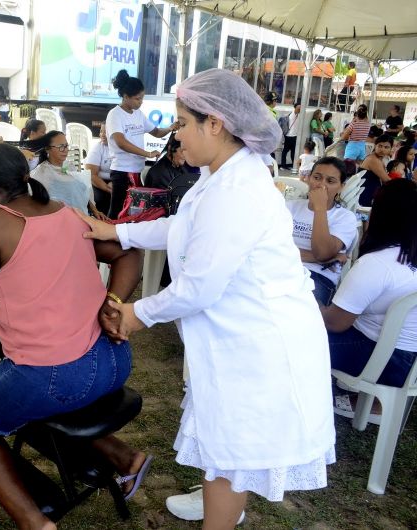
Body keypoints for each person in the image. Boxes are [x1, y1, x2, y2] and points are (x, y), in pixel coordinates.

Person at [78, 68, 335, 528]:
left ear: (214, 123)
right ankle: (220, 504)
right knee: (226, 446)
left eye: (181, 123)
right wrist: (116, 229)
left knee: (232, 450)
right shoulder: (220, 175)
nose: (177, 136)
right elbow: (182, 227)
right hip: (243, 336)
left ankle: (220, 514)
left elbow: (198, 287)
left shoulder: (236, 189)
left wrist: (138, 313)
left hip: (260, 343)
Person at [0, 143, 149, 530]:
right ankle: (123, 458)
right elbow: (129, 253)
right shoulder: (66, 214)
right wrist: (113, 301)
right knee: (22, 406)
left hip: (57, 377)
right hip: (114, 361)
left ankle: (35, 523)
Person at [321, 179, 417, 420]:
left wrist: (305, 296)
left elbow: (335, 322)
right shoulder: (406, 255)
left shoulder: (378, 263)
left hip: (383, 361)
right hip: (410, 365)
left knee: (296, 339)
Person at [287, 157, 358, 305]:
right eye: (317, 177)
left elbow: (323, 252)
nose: (321, 185)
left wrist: (320, 208)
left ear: (341, 186)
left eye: (330, 181)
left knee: (299, 308)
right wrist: (327, 259)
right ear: (308, 178)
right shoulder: (289, 207)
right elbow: (269, 246)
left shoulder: (345, 218)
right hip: (280, 267)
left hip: (317, 276)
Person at [105, 69, 173, 218]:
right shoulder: (115, 115)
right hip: (121, 171)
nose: (141, 102)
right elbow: (121, 142)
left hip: (136, 170)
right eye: (137, 99)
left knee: (133, 210)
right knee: (117, 210)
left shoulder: (138, 114)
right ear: (125, 96)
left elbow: (156, 132)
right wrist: (147, 153)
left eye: (142, 98)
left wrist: (170, 128)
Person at [26, 130, 106, 219]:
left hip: (81, 217)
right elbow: (37, 205)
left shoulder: (69, 165)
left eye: (66, 146)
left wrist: (95, 210)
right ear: (47, 149)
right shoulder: (41, 173)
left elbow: (82, 189)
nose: (65, 150)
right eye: (61, 146)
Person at [84, 125, 114, 214]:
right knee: (100, 199)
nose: (102, 135)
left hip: (117, 180)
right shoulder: (97, 148)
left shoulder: (122, 147)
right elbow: (91, 174)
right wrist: (109, 189)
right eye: (101, 131)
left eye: (106, 132)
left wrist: (116, 183)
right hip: (97, 180)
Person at [358, 135, 394, 207]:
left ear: (391, 149)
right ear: (375, 146)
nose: (382, 149)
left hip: (370, 192)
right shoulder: (373, 159)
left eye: (386, 147)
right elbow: (386, 180)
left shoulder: (379, 159)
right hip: (365, 194)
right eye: (380, 146)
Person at [280, 103, 301, 170]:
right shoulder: (292, 115)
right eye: (298, 108)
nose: (300, 109)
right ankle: (283, 165)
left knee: (293, 152)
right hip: (289, 136)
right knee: (285, 151)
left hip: (294, 136)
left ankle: (292, 165)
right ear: (295, 108)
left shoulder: (298, 115)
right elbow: (295, 113)